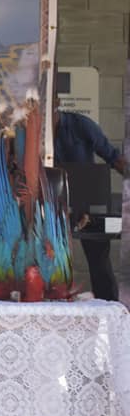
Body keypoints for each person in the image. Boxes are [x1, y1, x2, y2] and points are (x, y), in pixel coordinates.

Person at [53, 94, 125, 301]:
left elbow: (113, 157)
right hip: (51, 207)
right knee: (51, 262)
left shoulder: (80, 125)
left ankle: (110, 310)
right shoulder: (31, 133)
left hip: (88, 207)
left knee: (99, 263)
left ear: (57, 103)